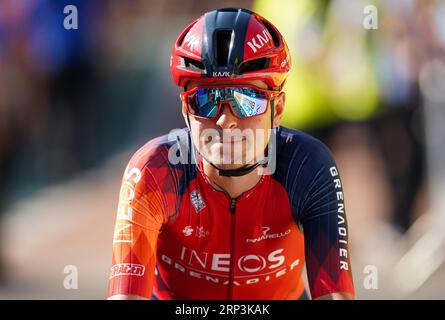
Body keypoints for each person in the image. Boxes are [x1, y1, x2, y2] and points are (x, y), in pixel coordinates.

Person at [107, 8, 355, 300]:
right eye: (205, 100)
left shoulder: (308, 166)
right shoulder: (156, 171)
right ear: (186, 109)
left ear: (277, 109)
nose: (226, 120)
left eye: (246, 100)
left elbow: (335, 295)